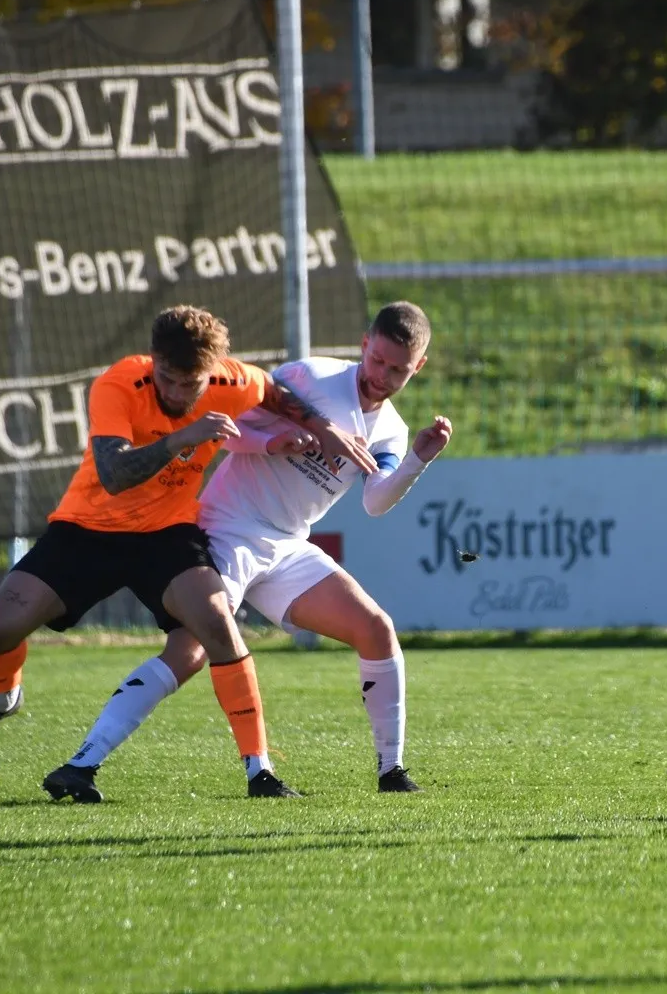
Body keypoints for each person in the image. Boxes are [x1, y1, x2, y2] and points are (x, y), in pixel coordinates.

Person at [0, 306, 377, 799]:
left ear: (212, 371)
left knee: (218, 625)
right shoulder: (120, 383)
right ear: (154, 360)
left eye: (192, 384)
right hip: (86, 529)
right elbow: (114, 474)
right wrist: (183, 437)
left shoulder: (231, 381)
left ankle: (260, 772)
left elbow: (273, 391)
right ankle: (3, 700)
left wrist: (322, 428)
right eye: (168, 378)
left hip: (166, 534)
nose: (178, 393)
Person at [42, 301, 451, 802]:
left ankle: (392, 771)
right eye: (377, 360)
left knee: (376, 629)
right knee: (190, 652)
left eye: (397, 370)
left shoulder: (390, 430)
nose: (381, 376)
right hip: (227, 528)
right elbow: (224, 430)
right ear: (365, 344)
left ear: (418, 367)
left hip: (286, 545)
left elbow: (375, 501)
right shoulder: (310, 378)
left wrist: (417, 460)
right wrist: (272, 443)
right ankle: (81, 764)